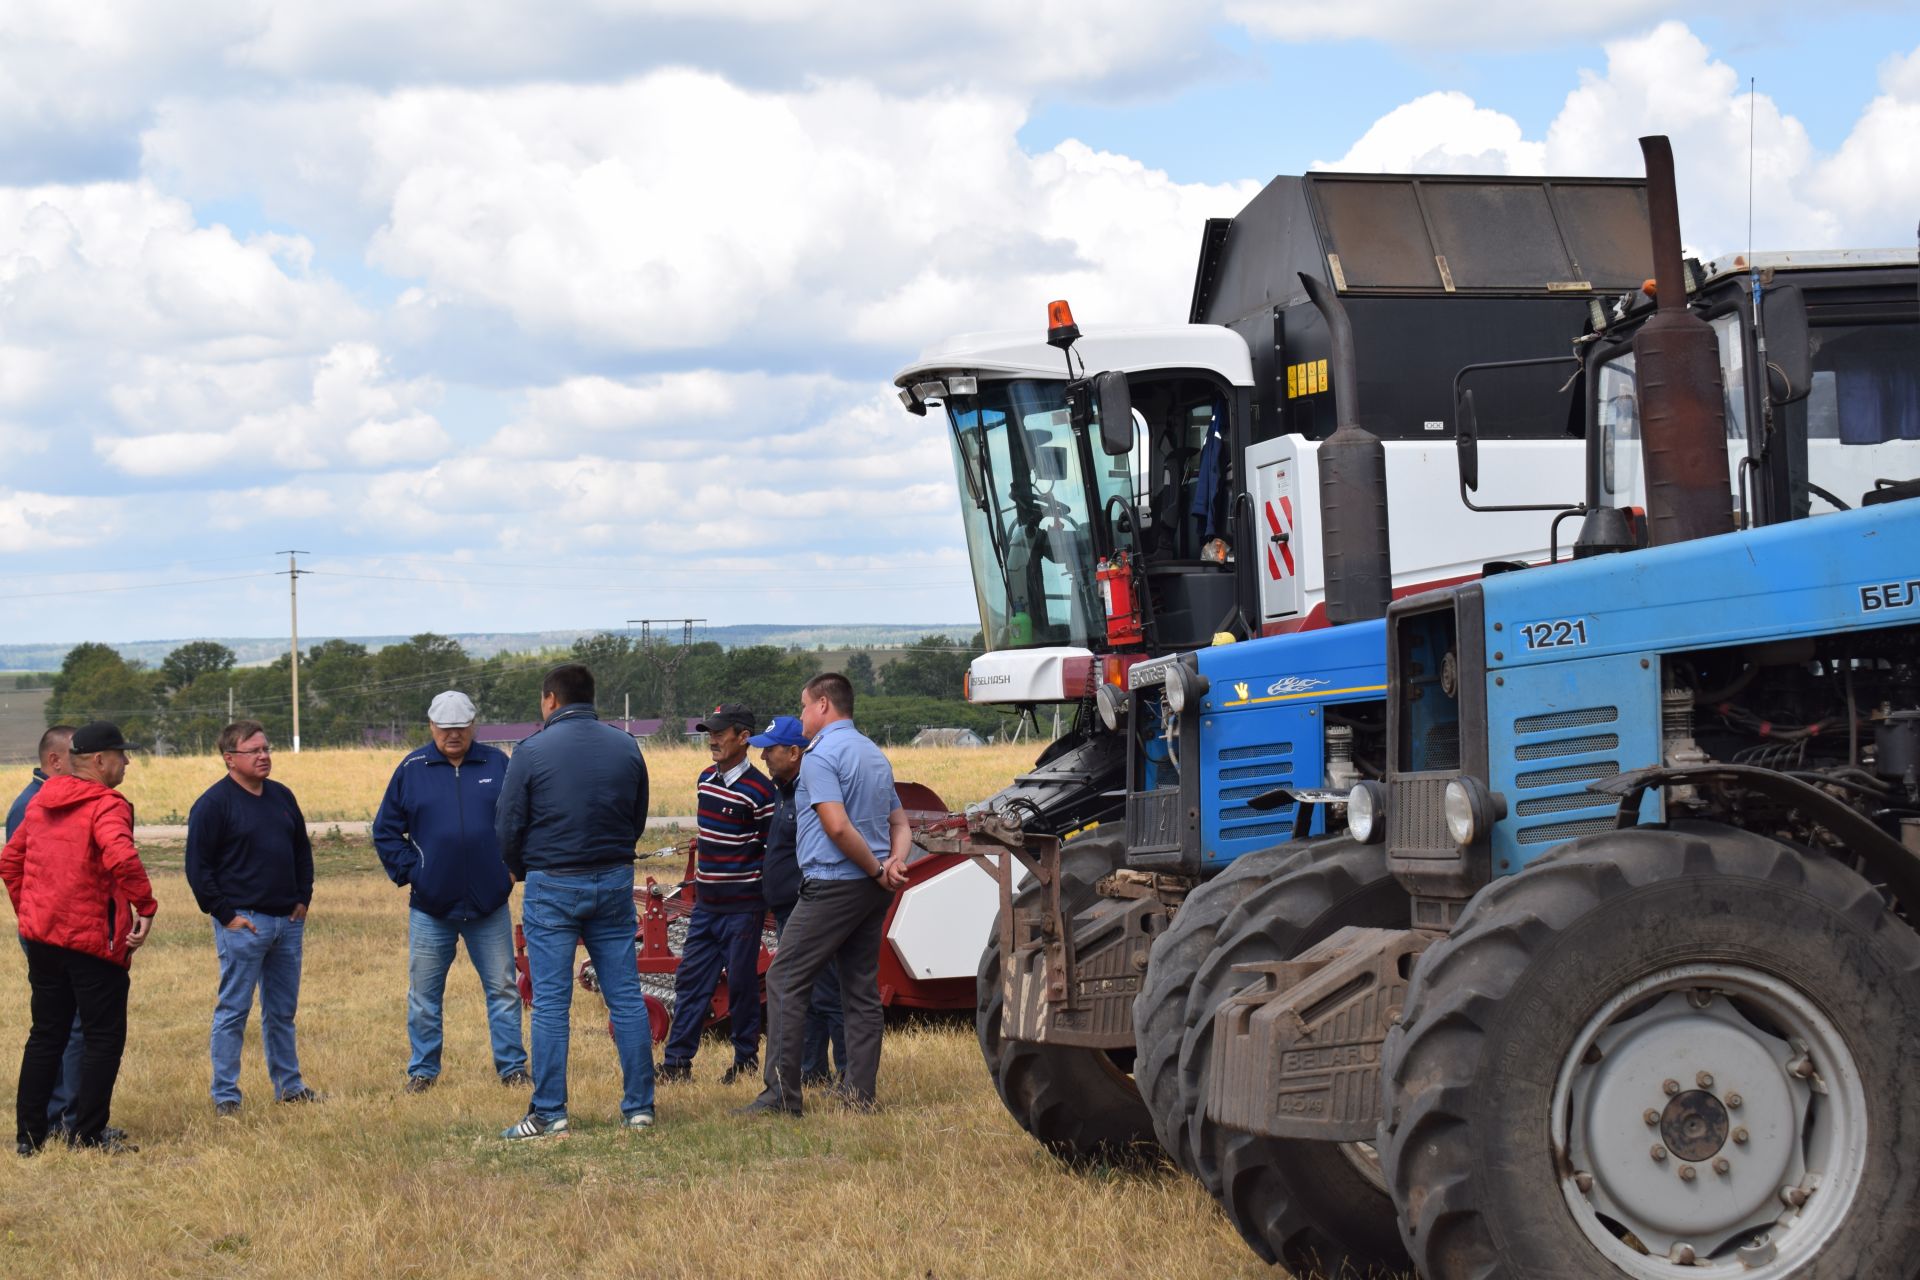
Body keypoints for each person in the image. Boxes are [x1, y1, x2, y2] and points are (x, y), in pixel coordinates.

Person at [494, 663, 654, 1140]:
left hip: (554, 884)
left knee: (550, 1004)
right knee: (625, 997)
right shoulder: (627, 746)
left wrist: (522, 867)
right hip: (613, 880)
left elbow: (507, 824)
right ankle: (640, 1109)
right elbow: (637, 814)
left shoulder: (531, 751)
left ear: (550, 700)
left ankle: (549, 1113)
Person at [741, 673, 909, 1117]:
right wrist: (892, 864)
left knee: (784, 979)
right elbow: (900, 824)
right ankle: (859, 1093)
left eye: (803, 707)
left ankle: (781, 1094)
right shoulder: (874, 754)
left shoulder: (819, 757)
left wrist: (876, 868)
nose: (801, 716)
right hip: (871, 890)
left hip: (835, 884)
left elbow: (835, 826)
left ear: (822, 706)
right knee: (859, 989)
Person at [3, 721, 157, 1155]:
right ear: (98, 760)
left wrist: (33, 911)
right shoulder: (107, 804)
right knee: (102, 1037)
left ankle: (29, 1138)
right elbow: (121, 855)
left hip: (45, 941)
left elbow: (10, 863)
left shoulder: (40, 802)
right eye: (121, 754)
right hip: (92, 943)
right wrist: (144, 906)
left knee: (46, 1034)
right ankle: (87, 1136)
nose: (127, 761)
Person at [374, 690, 530, 1093]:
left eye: (460, 727)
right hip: (431, 906)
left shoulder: (498, 764)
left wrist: (512, 870)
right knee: (425, 994)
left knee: (503, 989)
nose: (453, 735)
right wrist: (414, 872)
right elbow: (386, 830)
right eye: (445, 729)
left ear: (474, 725)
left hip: (489, 904)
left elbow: (522, 821)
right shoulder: (411, 768)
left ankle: (512, 1068)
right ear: (432, 727)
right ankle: (423, 1071)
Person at [185, 720, 320, 1115]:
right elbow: (199, 868)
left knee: (281, 1012)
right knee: (233, 1011)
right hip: (244, 923)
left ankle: (290, 1087)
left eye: (266, 749)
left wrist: (302, 899)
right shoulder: (213, 804)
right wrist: (225, 914)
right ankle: (226, 1096)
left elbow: (301, 851)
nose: (264, 756)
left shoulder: (281, 796)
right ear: (230, 759)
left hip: (287, 923)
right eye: (254, 751)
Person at [658, 703, 775, 1085]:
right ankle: (676, 1064)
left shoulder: (761, 791)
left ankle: (744, 1061)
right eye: (709, 732)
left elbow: (768, 849)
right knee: (691, 982)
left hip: (742, 909)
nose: (713, 739)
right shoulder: (705, 779)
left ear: (744, 738)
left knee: (742, 986)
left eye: (721, 732)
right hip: (706, 907)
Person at [7, 725, 98, 1140]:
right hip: (51, 933)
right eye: (76, 756)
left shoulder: (49, 800)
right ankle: (64, 1118)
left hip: (53, 928)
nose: (84, 764)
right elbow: (21, 873)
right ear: (55, 761)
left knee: (61, 1025)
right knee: (66, 1025)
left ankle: (60, 1116)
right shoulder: (34, 804)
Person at [751, 714, 844, 1085]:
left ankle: (848, 1074)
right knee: (806, 993)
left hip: (807, 906)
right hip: (788, 908)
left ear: (794, 752)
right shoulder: (785, 790)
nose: (763, 758)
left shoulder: (810, 794)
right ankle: (812, 1071)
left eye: (769, 751)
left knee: (824, 992)